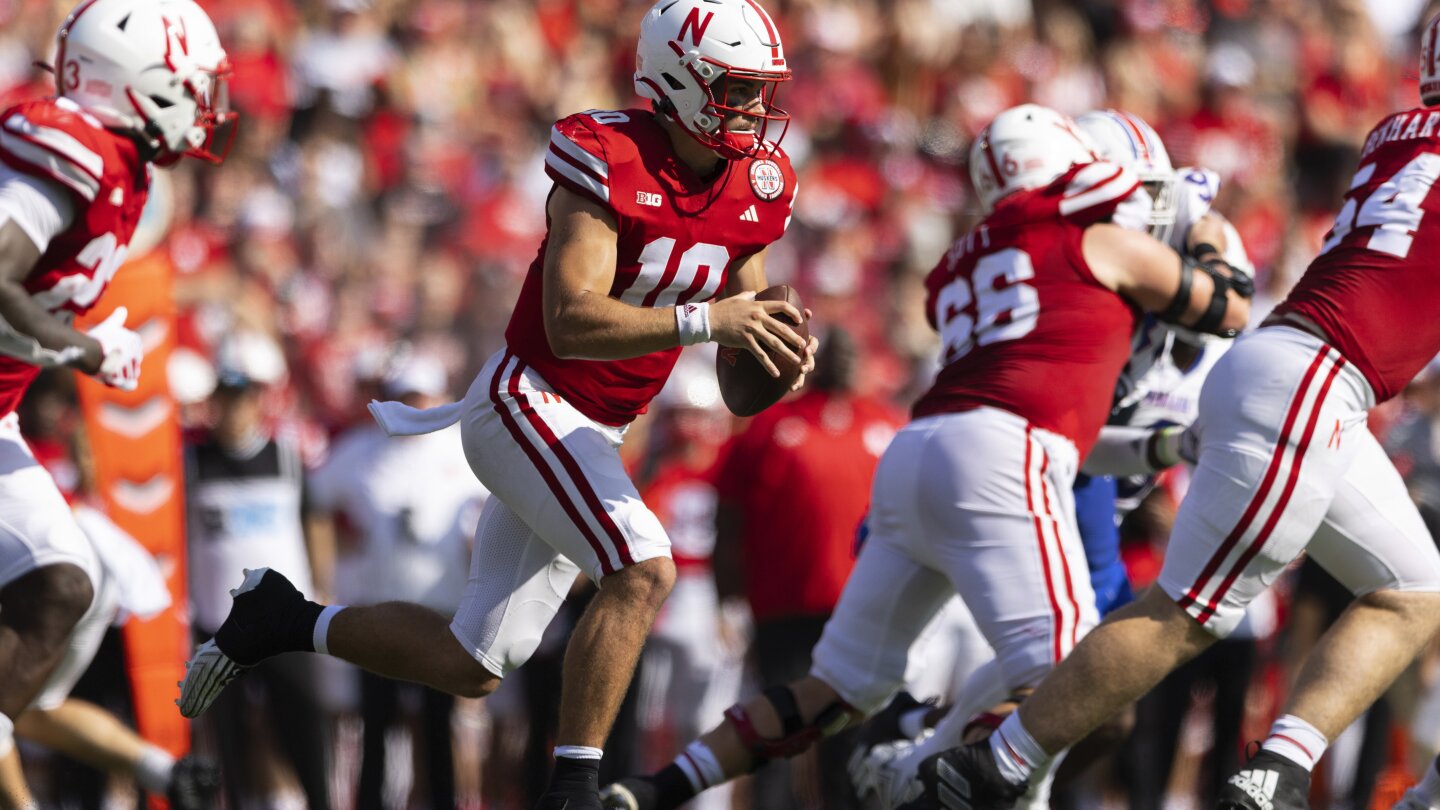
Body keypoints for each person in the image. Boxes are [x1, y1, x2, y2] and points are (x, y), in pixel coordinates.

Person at [177, 1, 816, 806]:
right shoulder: (608, 152)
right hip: (527, 399)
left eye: (762, 88)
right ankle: (575, 786)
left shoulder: (757, 185)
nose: (756, 108)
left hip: (595, 428)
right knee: (643, 568)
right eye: (736, 87)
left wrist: (774, 357)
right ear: (678, 80)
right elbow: (570, 319)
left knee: (474, 663)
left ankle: (285, 619)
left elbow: (736, 376)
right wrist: (707, 318)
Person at [601, 102, 1251, 810]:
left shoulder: (970, 255)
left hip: (923, 451)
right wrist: (1212, 234)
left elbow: (1049, 382)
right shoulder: (1094, 241)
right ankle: (920, 766)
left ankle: (654, 789)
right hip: (1007, 453)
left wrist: (1161, 441)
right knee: (1078, 686)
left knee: (835, 689)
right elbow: (1229, 306)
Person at [927, 17, 1440, 810]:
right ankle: (990, 767)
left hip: (1301, 370)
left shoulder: (1398, 133)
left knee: (1412, 588)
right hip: (1313, 379)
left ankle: (1276, 771)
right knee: (1188, 614)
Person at [0, 0, 232, 803]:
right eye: (192, 86)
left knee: (64, 586)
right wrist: (85, 347)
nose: (207, 104)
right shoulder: (75, 150)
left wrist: (80, 334)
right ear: (137, 84)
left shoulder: (120, 170)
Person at [307, 352, 488, 810]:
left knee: (436, 726)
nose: (414, 406)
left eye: (420, 396)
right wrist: (323, 575)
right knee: (376, 726)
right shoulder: (360, 449)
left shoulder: (462, 448)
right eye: (404, 396)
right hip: (377, 611)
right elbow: (315, 502)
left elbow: (499, 509)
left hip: (442, 612)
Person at [184, 344, 333, 810]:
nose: (232, 409)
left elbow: (315, 521)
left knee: (304, 729)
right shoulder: (191, 462)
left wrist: (323, 587)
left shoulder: (286, 458)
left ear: (257, 401)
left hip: (286, 624)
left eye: (242, 398)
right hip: (216, 622)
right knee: (224, 738)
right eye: (224, 398)